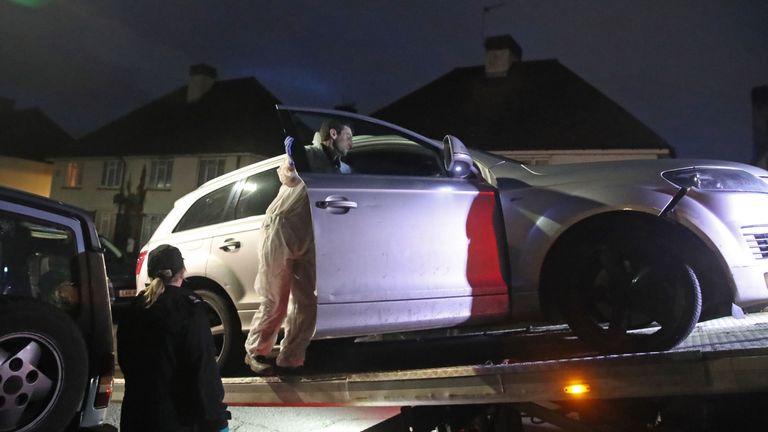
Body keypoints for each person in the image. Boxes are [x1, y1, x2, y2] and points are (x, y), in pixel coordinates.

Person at [244, 126, 355, 375]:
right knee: (276, 299)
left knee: (306, 303)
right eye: (348, 137)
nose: (351, 144)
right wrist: (292, 161)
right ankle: (256, 353)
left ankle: (291, 358)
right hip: (281, 229)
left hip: (309, 236)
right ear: (333, 134)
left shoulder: (342, 169)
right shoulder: (310, 155)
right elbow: (289, 177)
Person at [117, 244, 230, 432]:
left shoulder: (134, 309)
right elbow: (202, 370)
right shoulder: (189, 309)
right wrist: (217, 419)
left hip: (135, 418)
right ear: (182, 272)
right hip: (177, 420)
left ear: (151, 274)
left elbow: (126, 362)